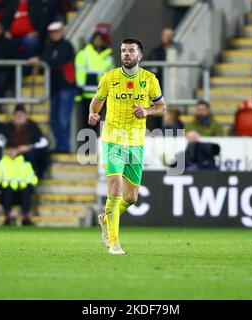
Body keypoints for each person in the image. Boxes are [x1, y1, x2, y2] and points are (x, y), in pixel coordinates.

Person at [88, 38, 167, 254]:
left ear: (139, 55)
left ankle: (106, 219)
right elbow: (97, 100)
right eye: (123, 51)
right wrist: (92, 113)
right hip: (112, 139)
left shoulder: (150, 79)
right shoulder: (109, 77)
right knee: (114, 189)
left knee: (131, 198)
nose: (126, 54)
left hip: (135, 142)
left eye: (131, 51)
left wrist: (147, 111)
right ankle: (114, 244)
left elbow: (161, 107)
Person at [31, 21, 76, 154]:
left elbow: (59, 61)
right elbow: (48, 59)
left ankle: (64, 146)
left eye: (57, 32)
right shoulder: (49, 46)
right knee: (54, 118)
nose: (55, 35)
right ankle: (59, 144)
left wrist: (41, 61)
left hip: (66, 86)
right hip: (54, 87)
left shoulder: (66, 46)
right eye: (52, 32)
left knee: (63, 118)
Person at [0, 140, 38, 226]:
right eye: (9, 149)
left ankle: (26, 217)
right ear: (5, 151)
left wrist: (26, 184)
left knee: (26, 190)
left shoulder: (25, 164)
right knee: (7, 189)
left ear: (17, 150)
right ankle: (7, 217)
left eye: (13, 149)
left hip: (21, 193)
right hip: (6, 194)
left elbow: (33, 178)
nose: (12, 152)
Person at [75, 31, 114, 141]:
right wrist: (79, 92)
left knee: (100, 123)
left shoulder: (107, 56)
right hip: (87, 95)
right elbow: (80, 74)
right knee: (87, 122)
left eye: (100, 39)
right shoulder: (84, 54)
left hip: (102, 96)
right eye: (96, 39)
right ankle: (87, 149)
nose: (98, 42)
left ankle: (96, 148)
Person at [147, 28, 181, 130]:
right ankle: (156, 131)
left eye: (169, 36)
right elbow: (149, 66)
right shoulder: (156, 51)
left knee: (171, 112)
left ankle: (170, 132)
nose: (167, 38)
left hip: (172, 86)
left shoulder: (176, 51)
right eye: (165, 35)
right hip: (159, 85)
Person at [3, 104, 49, 178]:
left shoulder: (32, 126)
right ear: (13, 116)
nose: (19, 117)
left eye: (21, 115)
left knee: (32, 155)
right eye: (17, 115)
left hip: (28, 153)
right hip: (11, 152)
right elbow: (0, 141)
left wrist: (29, 147)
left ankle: (32, 177)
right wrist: (10, 149)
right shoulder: (8, 127)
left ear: (25, 116)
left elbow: (43, 142)